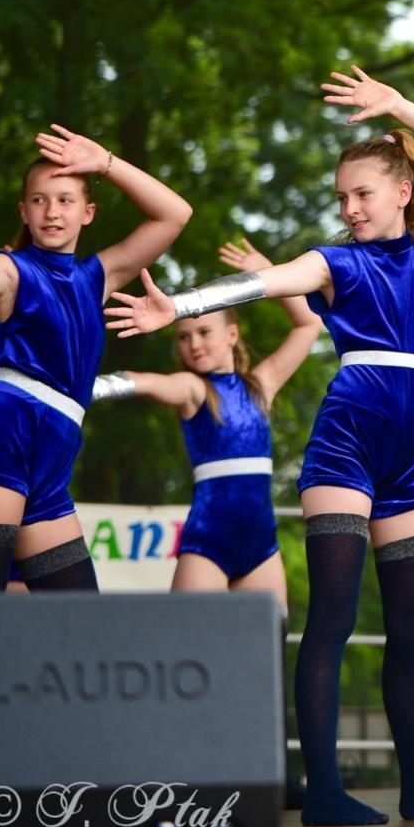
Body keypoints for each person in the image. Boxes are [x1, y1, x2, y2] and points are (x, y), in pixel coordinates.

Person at [105, 66, 414, 826]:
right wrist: (179, 307)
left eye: (362, 194)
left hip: (411, 455)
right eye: (342, 197)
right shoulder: (334, 261)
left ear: (403, 195)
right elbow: (261, 286)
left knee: (412, 629)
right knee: (334, 620)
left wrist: (399, 108)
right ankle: (322, 792)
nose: (349, 208)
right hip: (346, 443)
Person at [0, 126, 192, 590]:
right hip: (3, 432)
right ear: (24, 211)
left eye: (66, 200)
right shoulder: (10, 271)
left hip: (55, 451)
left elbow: (175, 214)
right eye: (40, 200)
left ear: (88, 212)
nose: (52, 212)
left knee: (79, 617)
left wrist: (105, 162)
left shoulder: (98, 276)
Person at [93, 238, 320, 600]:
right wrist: (91, 387)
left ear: (232, 334)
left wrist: (265, 272)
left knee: (265, 650)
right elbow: (149, 383)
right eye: (183, 337)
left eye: (203, 332)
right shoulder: (193, 389)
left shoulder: (260, 386)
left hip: (261, 546)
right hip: (208, 544)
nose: (194, 344)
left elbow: (308, 325)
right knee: (192, 651)